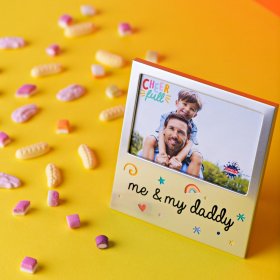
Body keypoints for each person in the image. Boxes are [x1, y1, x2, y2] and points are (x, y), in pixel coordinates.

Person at [142, 89, 203, 177]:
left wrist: (178, 159)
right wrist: (162, 154)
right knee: (150, 139)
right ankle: (146, 173)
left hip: (183, 149)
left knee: (197, 156)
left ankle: (188, 186)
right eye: (185, 104)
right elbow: (161, 133)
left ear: (195, 115)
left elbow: (189, 144)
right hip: (162, 143)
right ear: (177, 103)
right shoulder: (166, 116)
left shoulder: (193, 127)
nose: (186, 109)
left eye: (192, 109)